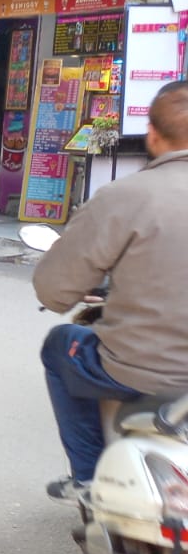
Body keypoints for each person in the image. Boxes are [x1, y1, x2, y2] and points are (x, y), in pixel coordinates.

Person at [33, 79, 188, 500]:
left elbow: (54, 290)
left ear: (153, 135)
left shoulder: (125, 196)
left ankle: (89, 476)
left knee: (60, 344)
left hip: (139, 369)